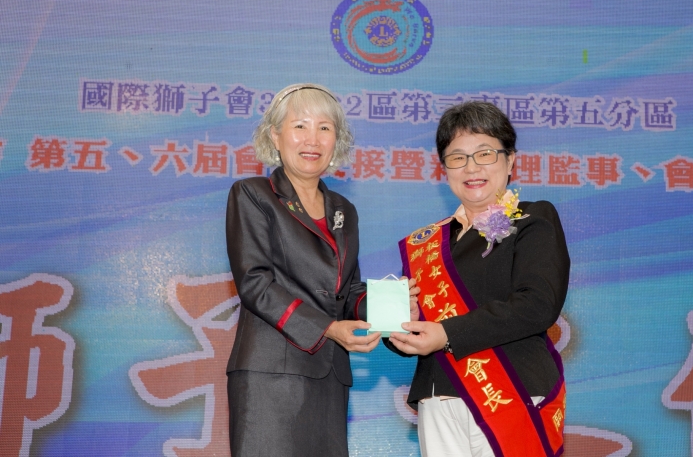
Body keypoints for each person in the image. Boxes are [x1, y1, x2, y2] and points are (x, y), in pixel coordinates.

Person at [389, 101, 570, 457]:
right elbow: (416, 332)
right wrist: (402, 322)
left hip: (512, 392)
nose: (471, 167)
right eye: (458, 157)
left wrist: (446, 334)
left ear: (510, 160)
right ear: (444, 169)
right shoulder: (427, 243)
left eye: (485, 153)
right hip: (438, 397)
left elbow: (538, 304)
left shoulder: (533, 219)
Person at [225, 83, 381, 457]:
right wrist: (329, 328)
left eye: (325, 128)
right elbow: (255, 283)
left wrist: (386, 305)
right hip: (270, 376)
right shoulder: (253, 194)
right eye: (300, 126)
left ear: (336, 140)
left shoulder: (343, 209)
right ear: (275, 135)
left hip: (329, 377)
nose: (313, 139)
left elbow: (348, 290)